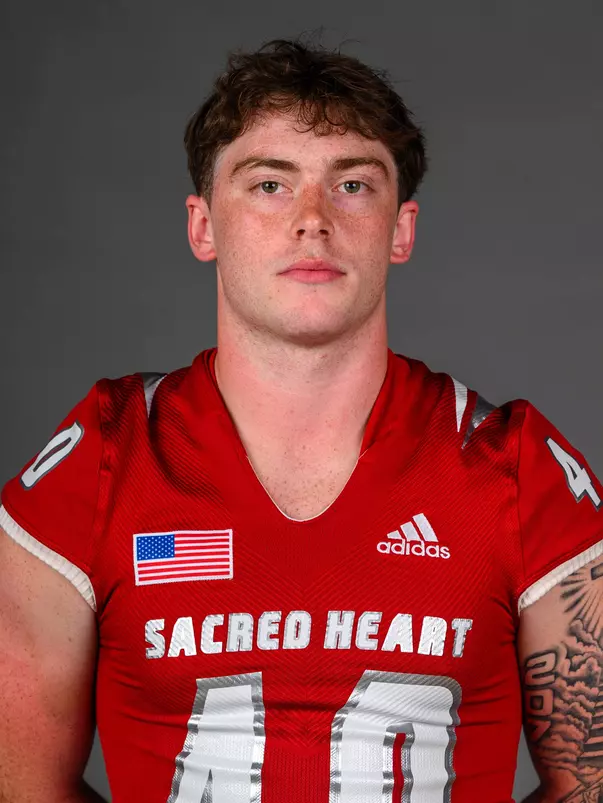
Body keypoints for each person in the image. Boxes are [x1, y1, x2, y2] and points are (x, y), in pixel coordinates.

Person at [1, 35, 602, 803]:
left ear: (401, 228)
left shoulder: (514, 465)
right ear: (202, 225)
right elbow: (17, 781)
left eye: (352, 184)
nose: (312, 219)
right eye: (268, 185)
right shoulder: (103, 455)